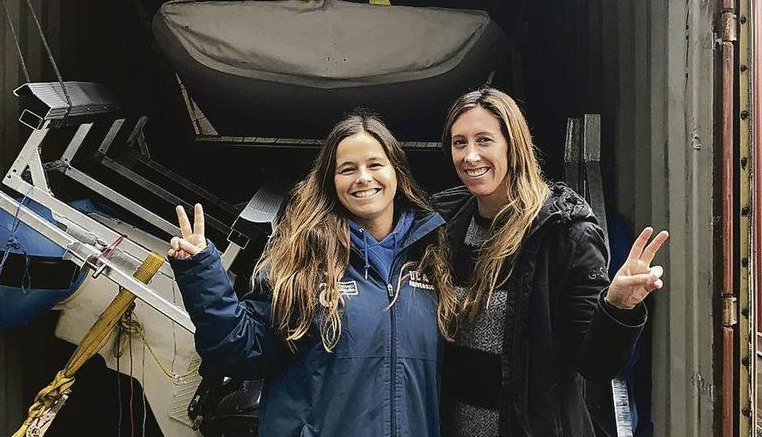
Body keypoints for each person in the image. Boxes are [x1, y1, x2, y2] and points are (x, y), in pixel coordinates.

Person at [168, 112, 458, 437]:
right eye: (347, 169)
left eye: (375, 165)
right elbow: (244, 351)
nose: (363, 177)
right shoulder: (301, 258)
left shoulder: (431, 259)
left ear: (397, 172)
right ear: (331, 182)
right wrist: (202, 271)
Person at [434, 87, 668, 436]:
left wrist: (618, 308)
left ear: (513, 146)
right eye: (459, 142)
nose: (470, 156)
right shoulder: (446, 226)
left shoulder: (563, 231)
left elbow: (595, 363)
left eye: (484, 140)